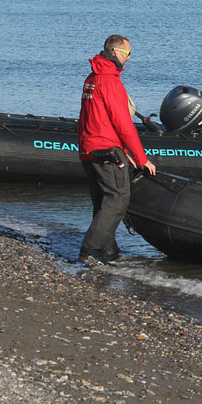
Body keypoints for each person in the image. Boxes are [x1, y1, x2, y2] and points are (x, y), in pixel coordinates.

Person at [77, 35, 157, 266]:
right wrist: (142, 158)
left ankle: (108, 250)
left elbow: (91, 118)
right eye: (127, 54)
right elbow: (123, 124)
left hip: (89, 148)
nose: (129, 58)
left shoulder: (92, 79)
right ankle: (90, 250)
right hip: (105, 149)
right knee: (117, 198)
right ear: (115, 52)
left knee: (102, 200)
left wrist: (125, 152)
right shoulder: (110, 82)